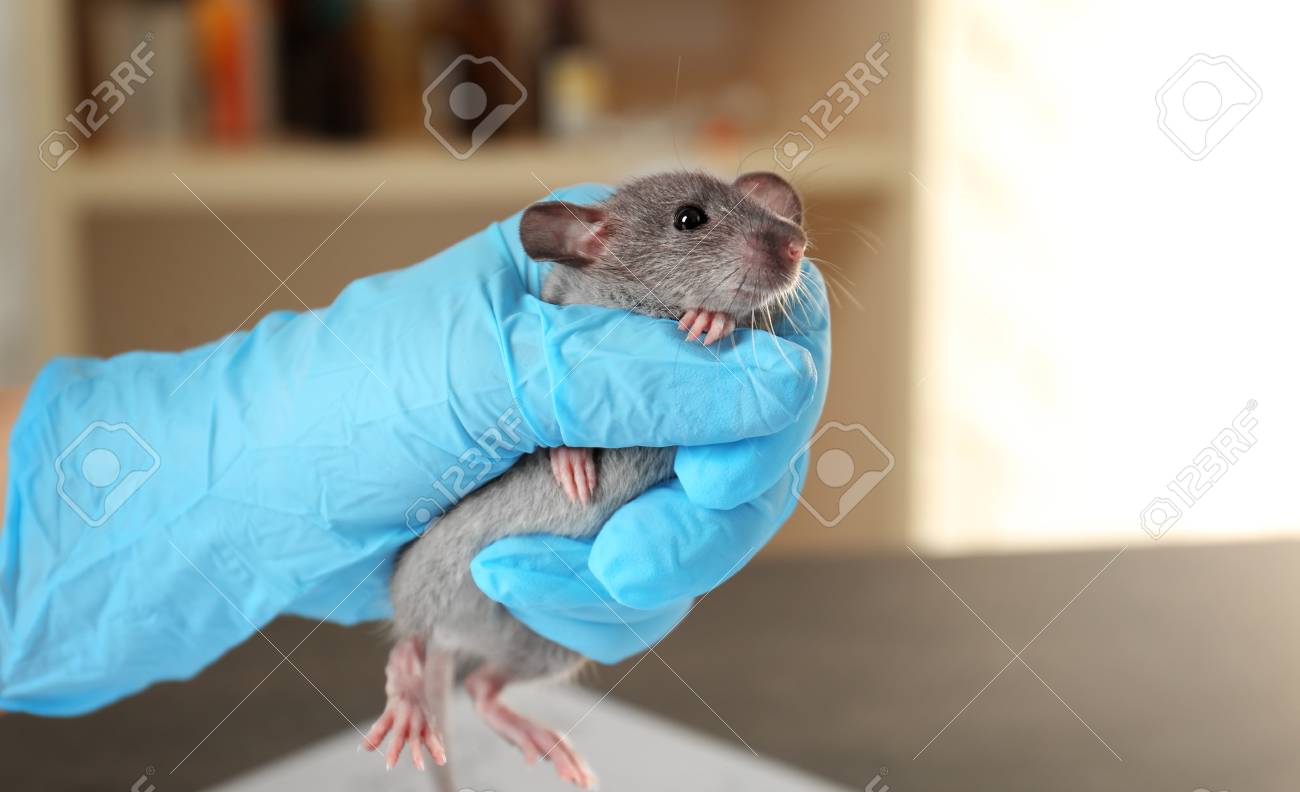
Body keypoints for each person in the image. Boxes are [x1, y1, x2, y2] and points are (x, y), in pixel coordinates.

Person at [0, 185, 830, 716]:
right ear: (592, 238)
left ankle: (487, 684)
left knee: (588, 605)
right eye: (694, 221)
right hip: (483, 534)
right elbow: (573, 305)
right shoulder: (580, 282)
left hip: (523, 568)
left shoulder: (719, 313)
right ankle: (440, 666)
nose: (779, 243)